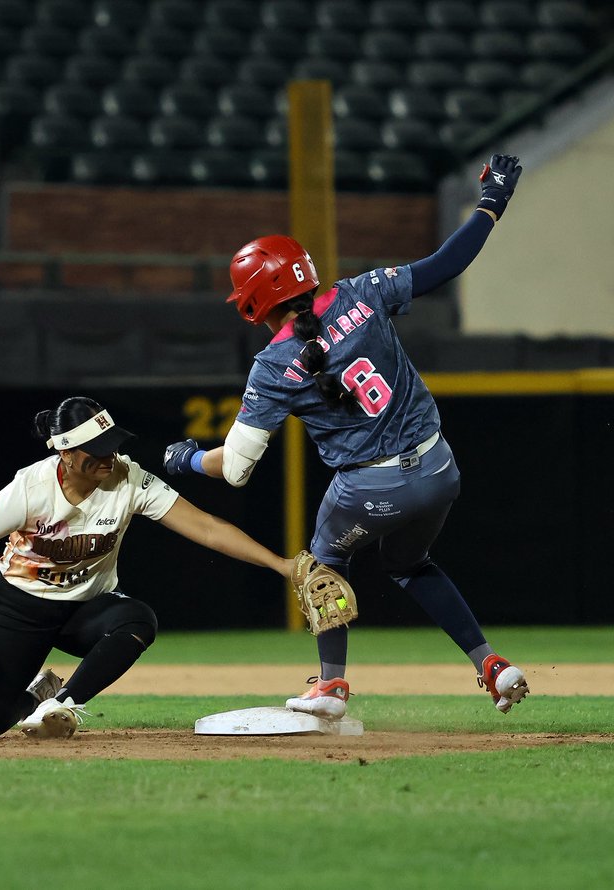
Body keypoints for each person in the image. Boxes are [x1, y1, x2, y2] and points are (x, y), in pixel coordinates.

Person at [163, 155, 530, 719]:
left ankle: (331, 687)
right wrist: (493, 201)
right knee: (411, 564)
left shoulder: (272, 364)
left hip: (371, 487)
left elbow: (234, 469)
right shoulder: (363, 292)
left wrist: (186, 460)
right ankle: (492, 665)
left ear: (255, 301)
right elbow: (446, 263)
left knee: (322, 566)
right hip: (440, 469)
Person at [0, 395, 295, 740]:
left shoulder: (128, 479)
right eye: (96, 448)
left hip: (85, 609)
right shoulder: (30, 488)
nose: (108, 456)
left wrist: (281, 565)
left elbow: (207, 528)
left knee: (137, 619)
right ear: (65, 453)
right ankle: (37, 694)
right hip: (20, 607)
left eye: (111, 445)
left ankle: (60, 703)